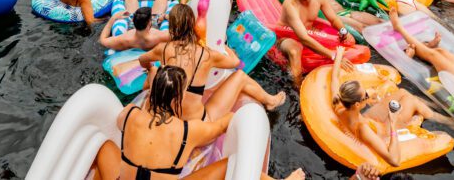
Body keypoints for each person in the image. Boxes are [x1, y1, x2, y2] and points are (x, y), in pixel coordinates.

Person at [91, 65, 304, 180]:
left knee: (104, 146)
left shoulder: (130, 115)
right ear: (177, 99)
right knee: (232, 163)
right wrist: (231, 115)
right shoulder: (188, 131)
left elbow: (122, 121)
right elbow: (222, 125)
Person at [139, 5, 286, 120]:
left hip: (169, 114)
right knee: (240, 76)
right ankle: (270, 101)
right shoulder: (206, 54)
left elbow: (142, 60)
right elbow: (234, 62)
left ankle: (270, 101)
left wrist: (151, 69)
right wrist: (224, 45)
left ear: (171, 27)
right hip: (196, 120)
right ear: (192, 25)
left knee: (156, 72)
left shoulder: (162, 49)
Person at [330, 48, 454, 168]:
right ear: (357, 104)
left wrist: (339, 54)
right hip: (383, 130)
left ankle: (432, 106)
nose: (368, 94)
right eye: (365, 95)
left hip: (370, 120)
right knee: (411, 101)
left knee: (402, 92)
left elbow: (334, 78)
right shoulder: (363, 130)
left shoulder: (338, 103)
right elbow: (394, 161)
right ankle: (448, 121)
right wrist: (393, 122)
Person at [278, 0, 354, 86]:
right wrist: (334, 56)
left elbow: (333, 19)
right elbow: (303, 38)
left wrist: (344, 31)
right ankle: (296, 88)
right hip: (286, 36)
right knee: (294, 50)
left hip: (308, 32)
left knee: (344, 40)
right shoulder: (291, 4)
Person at [99, 0, 171, 52]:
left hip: (133, 31)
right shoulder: (158, 36)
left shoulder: (126, 38)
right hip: (152, 29)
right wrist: (166, 16)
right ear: (150, 23)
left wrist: (113, 18)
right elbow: (181, 32)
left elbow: (103, 40)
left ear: (133, 20)